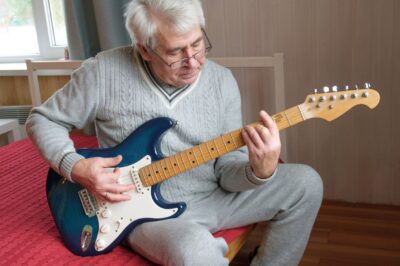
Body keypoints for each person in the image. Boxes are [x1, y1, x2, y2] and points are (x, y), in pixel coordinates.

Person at [26, 0, 323, 265]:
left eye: (196, 44)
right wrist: (75, 166)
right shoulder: (103, 73)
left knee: (307, 183)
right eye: (175, 52)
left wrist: (259, 170)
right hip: (141, 212)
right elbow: (42, 120)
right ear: (144, 48)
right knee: (194, 251)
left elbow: (227, 171)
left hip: (216, 195)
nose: (192, 62)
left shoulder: (222, 82)